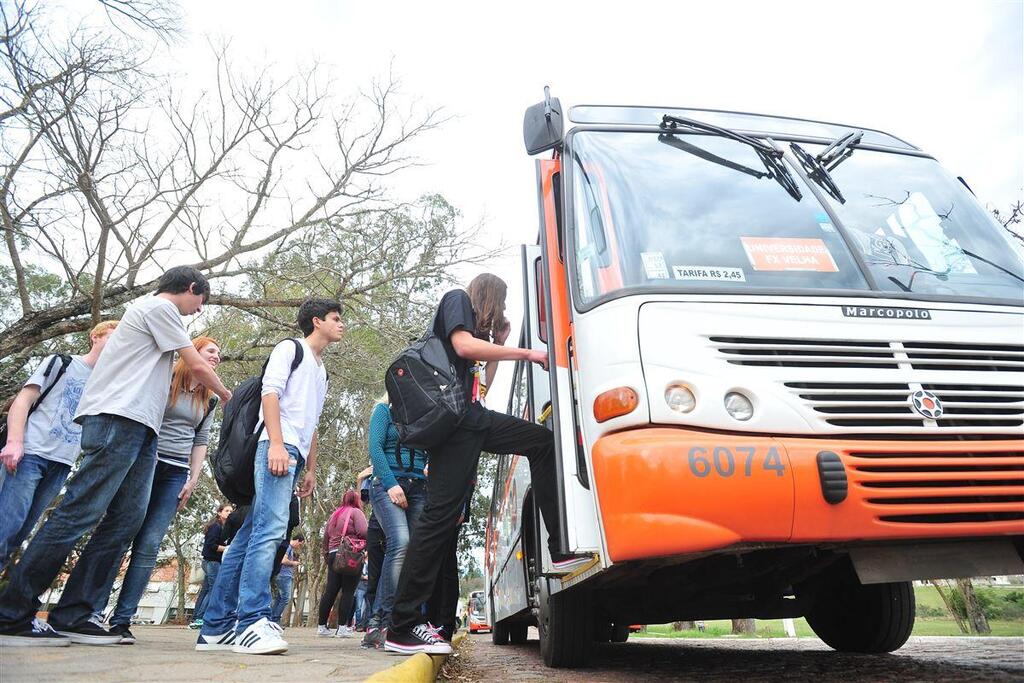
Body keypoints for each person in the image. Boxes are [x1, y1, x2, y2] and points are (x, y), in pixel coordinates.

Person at [0, 266, 231, 647]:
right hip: (116, 419)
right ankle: (12, 612)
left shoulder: (157, 317)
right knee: (81, 510)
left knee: (126, 519)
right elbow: (197, 364)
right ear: (191, 288)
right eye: (199, 303)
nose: (197, 312)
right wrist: (229, 396)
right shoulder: (158, 309)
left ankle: (74, 613)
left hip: (142, 428)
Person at [384, 274, 588, 656]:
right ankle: (402, 624)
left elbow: (484, 387)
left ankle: (559, 547)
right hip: (460, 426)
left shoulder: (474, 333)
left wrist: (502, 344)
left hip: (469, 420)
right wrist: (527, 353)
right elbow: (462, 345)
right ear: (490, 294)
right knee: (437, 521)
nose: (503, 310)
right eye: (503, 301)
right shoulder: (457, 298)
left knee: (539, 444)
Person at [196, 298, 343, 655]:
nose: (341, 325)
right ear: (316, 320)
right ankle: (251, 621)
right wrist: (276, 444)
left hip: (295, 452)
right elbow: (269, 394)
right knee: (270, 531)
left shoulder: (321, 370)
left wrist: (310, 468)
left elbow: (313, 423)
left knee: (249, 535)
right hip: (276, 448)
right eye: (336, 318)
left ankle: (214, 628)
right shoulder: (289, 349)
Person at [90, 337, 225, 643]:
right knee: (122, 533)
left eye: (219, 354)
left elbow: (200, 439)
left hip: (176, 472)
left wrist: (193, 477)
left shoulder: (209, 398)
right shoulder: (165, 379)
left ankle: (122, 619)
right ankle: (93, 610)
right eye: (211, 351)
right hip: (145, 462)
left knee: (150, 543)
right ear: (194, 351)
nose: (217, 357)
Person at [0, 320, 119, 573]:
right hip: (29, 454)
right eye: (112, 336)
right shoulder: (62, 363)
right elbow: (23, 401)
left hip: (62, 464)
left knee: (19, 535)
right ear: (95, 337)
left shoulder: (108, 385)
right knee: (6, 528)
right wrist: (14, 442)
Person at [362, 398, 428, 649]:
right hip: (387, 485)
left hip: (419, 487)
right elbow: (375, 449)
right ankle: (383, 620)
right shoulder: (383, 410)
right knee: (400, 543)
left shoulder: (424, 412)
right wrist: (391, 484)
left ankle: (392, 621)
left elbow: (432, 447)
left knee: (414, 552)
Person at [317, 490, 367, 638]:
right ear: (357, 500)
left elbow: (325, 537)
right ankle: (342, 628)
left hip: (333, 554)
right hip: (349, 555)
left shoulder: (335, 514)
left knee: (330, 591)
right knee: (348, 591)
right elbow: (363, 531)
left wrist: (327, 555)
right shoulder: (356, 512)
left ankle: (321, 627)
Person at [190, 503, 234, 628]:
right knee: (214, 590)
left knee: (206, 590)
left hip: (213, 562)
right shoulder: (216, 527)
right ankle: (201, 617)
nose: (229, 513)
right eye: (227, 510)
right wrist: (228, 549)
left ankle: (196, 617)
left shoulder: (225, 527)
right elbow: (211, 545)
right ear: (219, 512)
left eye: (231, 511)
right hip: (212, 562)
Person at [270, 533, 303, 625]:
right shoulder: (288, 547)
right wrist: (294, 563)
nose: (299, 546)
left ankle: (272, 618)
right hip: (283, 575)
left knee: (280, 598)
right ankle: (275, 618)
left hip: (284, 575)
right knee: (285, 598)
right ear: (297, 540)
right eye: (300, 544)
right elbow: (283, 560)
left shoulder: (290, 548)